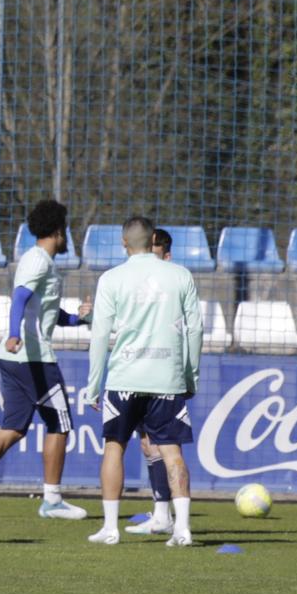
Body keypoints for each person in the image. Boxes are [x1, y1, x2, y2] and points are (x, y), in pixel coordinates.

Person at [0, 200, 91, 522]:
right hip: (32, 359)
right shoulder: (38, 261)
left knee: (13, 428)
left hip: (17, 358)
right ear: (59, 230)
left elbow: (49, 317)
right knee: (60, 424)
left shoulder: (41, 262)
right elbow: (20, 297)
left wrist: (82, 320)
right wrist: (14, 334)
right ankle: (52, 500)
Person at [81, 216, 202, 547]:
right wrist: (190, 375)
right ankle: (183, 529)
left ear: (124, 243)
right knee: (172, 451)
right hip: (166, 379)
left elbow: (101, 334)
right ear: (153, 242)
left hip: (124, 379)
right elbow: (195, 330)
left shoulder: (112, 278)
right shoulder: (180, 276)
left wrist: (93, 386)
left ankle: (110, 528)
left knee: (114, 448)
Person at [126, 226, 182, 535]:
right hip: (137, 371)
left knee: (167, 445)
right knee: (148, 445)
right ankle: (162, 513)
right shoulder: (137, 282)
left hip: (164, 375)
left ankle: (174, 515)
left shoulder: (176, 285)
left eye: (156, 253)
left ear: (167, 256)